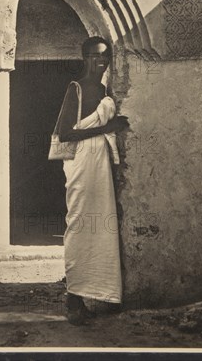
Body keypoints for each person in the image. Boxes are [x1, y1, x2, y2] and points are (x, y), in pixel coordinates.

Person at [57, 36, 129, 325]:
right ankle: (74, 299)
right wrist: (109, 127)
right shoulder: (75, 89)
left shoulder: (102, 90)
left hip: (100, 162)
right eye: (96, 56)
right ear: (85, 57)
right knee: (81, 224)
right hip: (82, 162)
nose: (102, 61)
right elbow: (64, 134)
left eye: (105, 56)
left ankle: (103, 293)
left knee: (103, 227)